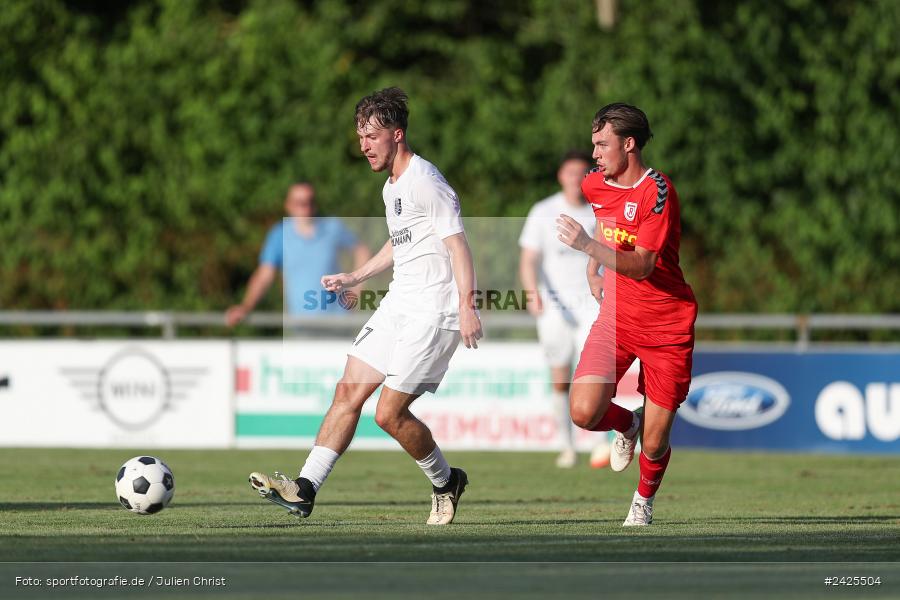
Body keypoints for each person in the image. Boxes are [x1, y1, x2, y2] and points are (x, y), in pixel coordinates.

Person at [249, 87, 483, 525]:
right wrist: (355, 277)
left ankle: (445, 480)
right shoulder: (391, 187)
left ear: (396, 134)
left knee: (389, 414)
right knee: (347, 391)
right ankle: (305, 489)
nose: (363, 145)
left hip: (434, 310)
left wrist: (467, 306)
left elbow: (458, 245)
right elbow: (400, 244)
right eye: (360, 137)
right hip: (399, 303)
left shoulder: (426, 181)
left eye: (371, 136)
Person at [556, 103, 698, 526]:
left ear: (629, 143)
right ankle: (626, 425)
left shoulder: (658, 191)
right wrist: (593, 269)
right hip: (617, 319)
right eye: (593, 144)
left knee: (655, 445)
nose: (594, 153)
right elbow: (607, 221)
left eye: (602, 144)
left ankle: (643, 501)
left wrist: (586, 247)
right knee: (583, 411)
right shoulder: (596, 184)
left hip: (666, 326)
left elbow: (642, 265)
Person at [518, 150, 610, 469]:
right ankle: (566, 446)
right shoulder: (544, 211)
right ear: (560, 176)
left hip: (592, 307)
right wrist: (532, 294)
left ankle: (600, 442)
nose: (575, 179)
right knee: (560, 378)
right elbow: (529, 259)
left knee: (594, 375)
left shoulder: (601, 211)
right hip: (554, 309)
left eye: (582, 173)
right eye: (570, 172)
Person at [224, 183, 370, 326]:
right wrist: (246, 306)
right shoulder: (279, 234)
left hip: (338, 321)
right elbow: (264, 276)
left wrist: (356, 290)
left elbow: (362, 251)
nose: (306, 206)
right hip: (301, 324)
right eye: (300, 202)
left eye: (310, 201)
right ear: (288, 205)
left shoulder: (332, 227)